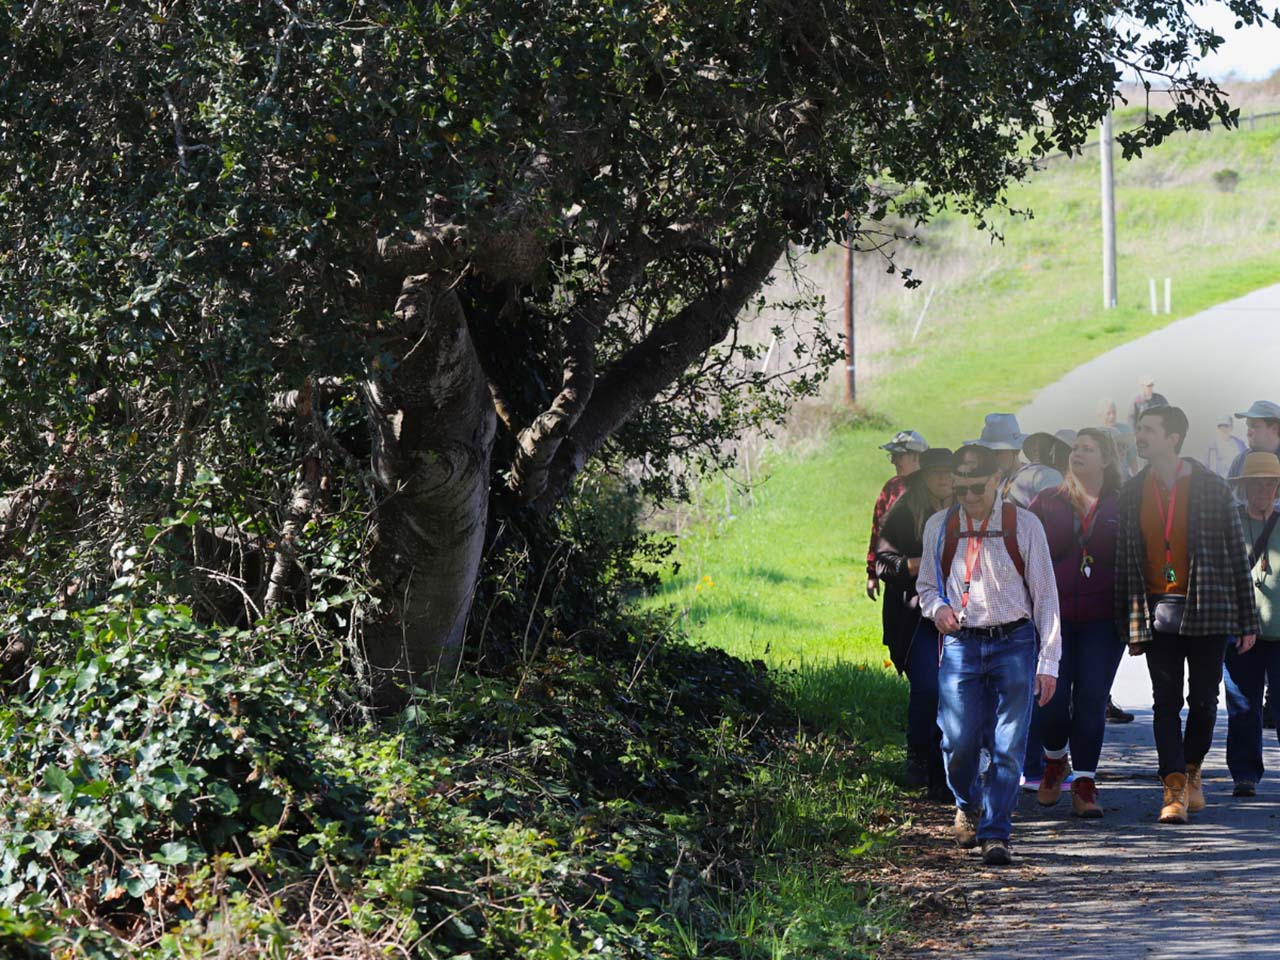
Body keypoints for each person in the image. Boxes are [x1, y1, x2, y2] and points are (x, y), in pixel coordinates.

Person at [917, 445, 1060, 866]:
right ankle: (967, 800)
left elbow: (1046, 597)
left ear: (997, 481)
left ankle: (997, 832)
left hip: (1014, 642)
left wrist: (1048, 664)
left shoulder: (1025, 525)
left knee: (1008, 745)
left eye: (976, 488)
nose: (968, 497)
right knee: (956, 741)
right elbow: (927, 586)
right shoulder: (939, 527)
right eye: (960, 489)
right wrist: (937, 609)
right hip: (962, 642)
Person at [1115, 405, 1259, 824]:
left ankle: (1193, 770)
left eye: (1148, 430)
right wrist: (1127, 621)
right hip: (1158, 609)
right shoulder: (1132, 491)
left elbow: (1237, 557)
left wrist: (1247, 621)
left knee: (1203, 701)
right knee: (1165, 702)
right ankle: (1173, 786)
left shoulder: (1213, 488)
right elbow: (1126, 561)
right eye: (1139, 429)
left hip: (1209, 609)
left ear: (1173, 437)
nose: (1140, 436)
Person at [1028, 429, 1125, 817]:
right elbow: (1025, 557)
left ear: (1106, 460)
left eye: (1088, 449)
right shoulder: (1046, 503)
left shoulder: (1123, 505)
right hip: (1054, 619)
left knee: (1090, 703)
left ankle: (1084, 783)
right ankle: (1055, 760)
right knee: (1049, 702)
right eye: (1075, 449)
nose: (1078, 454)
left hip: (1104, 621)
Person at [876, 448, 954, 801]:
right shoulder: (906, 511)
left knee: (957, 692)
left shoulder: (968, 508)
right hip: (915, 615)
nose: (943, 479)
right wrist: (920, 564)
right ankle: (918, 755)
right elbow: (883, 561)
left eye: (948, 472)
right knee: (928, 688)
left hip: (961, 614)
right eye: (935, 473)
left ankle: (948, 770)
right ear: (924, 477)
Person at [1223, 452, 1280, 797]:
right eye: (1256, 483)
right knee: (1243, 706)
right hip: (1241, 631)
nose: (1264, 490)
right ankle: (1245, 774)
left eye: (1270, 483)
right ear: (1243, 487)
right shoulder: (1229, 524)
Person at [866, 430, 928, 602]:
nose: (893, 461)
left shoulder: (934, 487)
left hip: (928, 581)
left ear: (916, 456)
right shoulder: (892, 487)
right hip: (894, 575)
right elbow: (877, 530)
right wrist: (872, 572)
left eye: (899, 456)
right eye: (892, 456)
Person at [1226, 400, 1280, 483]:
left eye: (1255, 426)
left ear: (1274, 429)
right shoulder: (1240, 461)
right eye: (1248, 426)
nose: (1249, 433)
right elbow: (1228, 495)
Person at [1098, 398, 1138, 479]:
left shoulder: (1126, 430)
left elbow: (1133, 458)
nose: (1112, 416)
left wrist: (1136, 479)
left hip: (1125, 480)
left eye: (1114, 413)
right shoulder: (1096, 434)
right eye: (1108, 413)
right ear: (1100, 415)